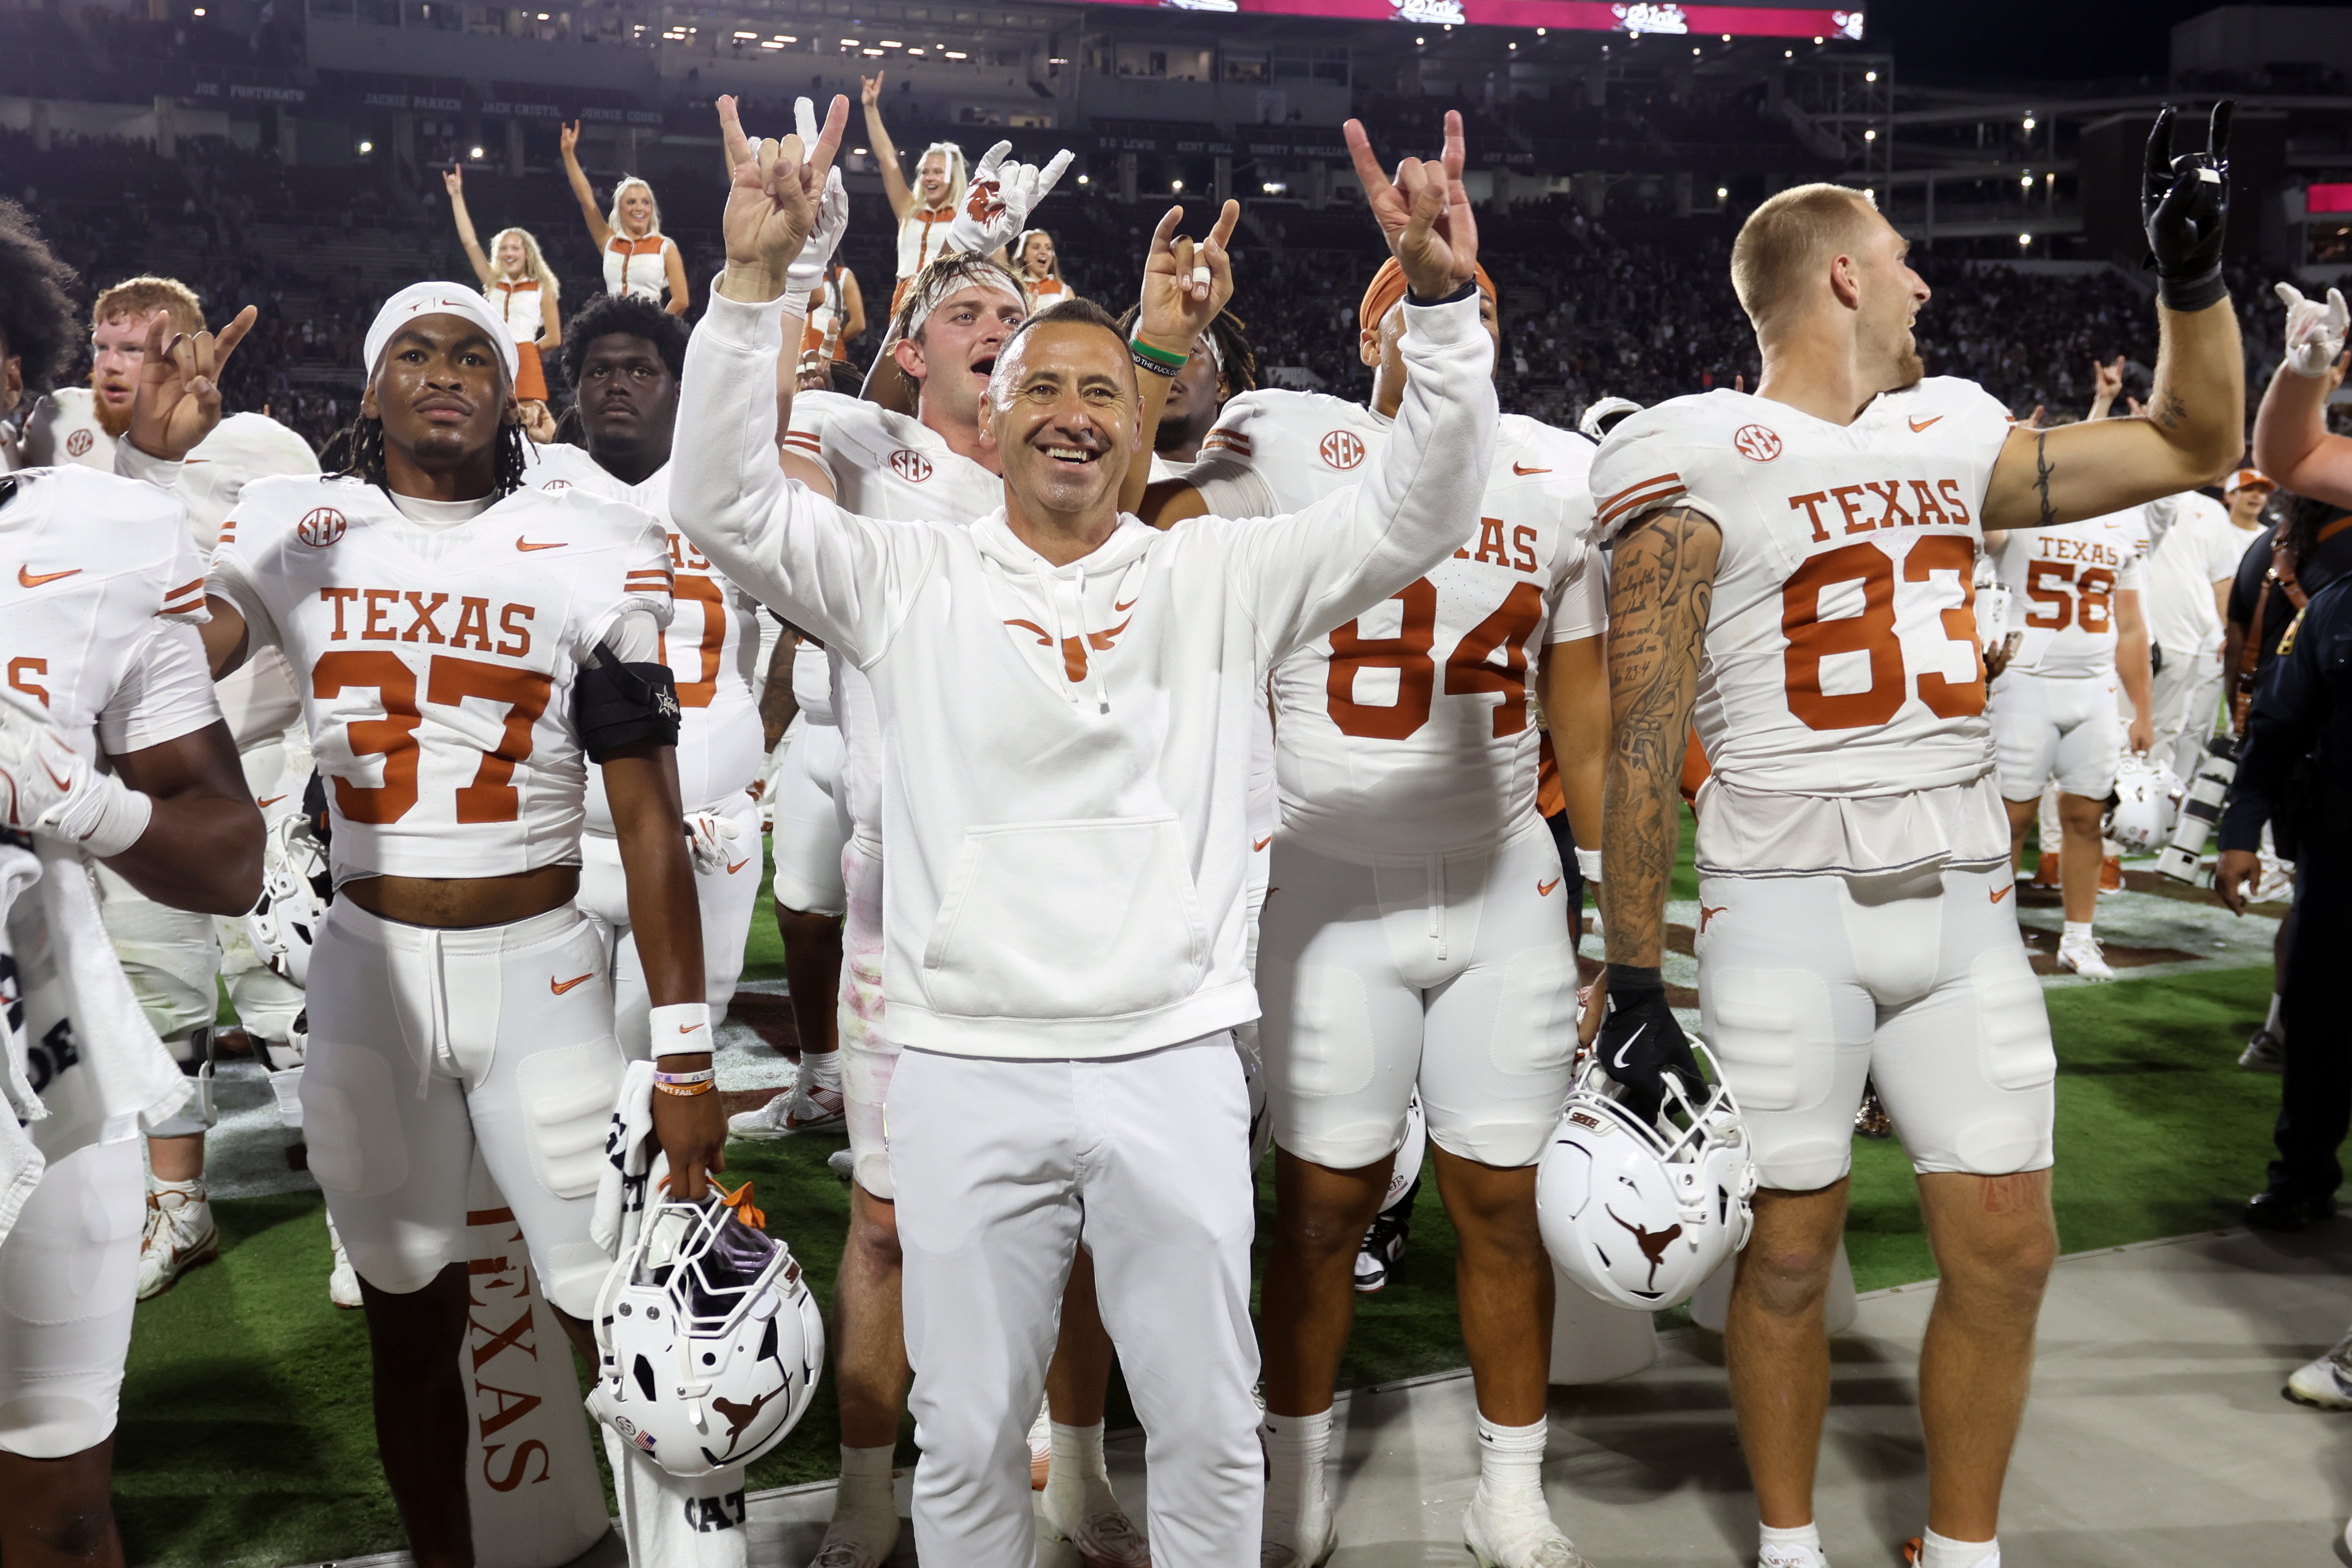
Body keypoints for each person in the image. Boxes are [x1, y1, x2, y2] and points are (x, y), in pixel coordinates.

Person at [674, 94, 1493, 1568]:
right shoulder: (901, 579)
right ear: (992, 416)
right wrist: (749, 289)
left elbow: (1419, 512)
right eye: (1039, 384)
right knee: (970, 1430)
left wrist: (1437, 307)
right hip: (963, 1055)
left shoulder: (1217, 577)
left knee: (1203, 1419)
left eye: (1103, 392)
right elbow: (722, 500)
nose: (1068, 410)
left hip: (1170, 1050)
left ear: (1139, 424)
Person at [1590, 105, 2244, 1568]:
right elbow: (1639, 732)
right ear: (1836, 277)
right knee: (1787, 1257)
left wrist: (2191, 284)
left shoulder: (1950, 428)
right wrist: (1633, 979)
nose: (1923, 286)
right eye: (1898, 260)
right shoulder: (1692, 446)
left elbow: (2196, 440)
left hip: (1958, 904)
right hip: (1780, 903)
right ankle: (1788, 1544)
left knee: (2009, 1250)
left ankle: (1961, 1552)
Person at [197, 281, 724, 1568]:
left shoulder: (583, 537)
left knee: (627, 1315)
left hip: (539, 963)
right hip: (368, 972)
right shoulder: (296, 528)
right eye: (415, 352)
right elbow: (170, 658)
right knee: (404, 1322)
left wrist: (691, 1051)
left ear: (512, 384)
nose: (446, 372)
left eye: (474, 353)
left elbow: (648, 815)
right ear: (369, 389)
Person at [1133, 254, 1609, 1568]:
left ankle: (1508, 1485)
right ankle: (1292, 1476)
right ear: (1368, 328)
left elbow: (1579, 711)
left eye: (1485, 308)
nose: (1463, 330)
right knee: (1322, 1208)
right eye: (1426, 305)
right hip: (1329, 882)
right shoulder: (1285, 437)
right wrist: (1157, 354)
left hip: (1504, 879)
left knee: (1500, 1202)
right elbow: (1124, 518)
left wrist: (1620, 928)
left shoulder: (1556, 470)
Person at [0, 194, 268, 1568]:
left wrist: (68, 794)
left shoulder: (106, 542)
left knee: (54, 1511)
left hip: (43, 1073)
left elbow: (230, 852)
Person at [22, 271, 325, 1301]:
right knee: (159, 998)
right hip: (116, 785)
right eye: (106, 344)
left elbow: (244, 629)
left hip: (261, 763)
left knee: (294, 994)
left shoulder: (268, 457)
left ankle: (349, 1197)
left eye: (145, 345)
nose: (118, 365)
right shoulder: (52, 438)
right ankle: (180, 1204)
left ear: (198, 347)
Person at [529, 294, 769, 1060]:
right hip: (565, 833)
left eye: (641, 369)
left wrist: (750, 756)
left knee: (670, 1064)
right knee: (556, 1071)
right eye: (599, 370)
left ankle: (665, 1187)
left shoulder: (732, 491)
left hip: (709, 826)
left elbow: (806, 633)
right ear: (577, 390)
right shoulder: (532, 487)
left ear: (678, 386)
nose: (617, 384)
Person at [1982, 463, 2154, 981]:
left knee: (2086, 816)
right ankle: (1991, 936)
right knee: (2011, 819)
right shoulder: (2017, 514)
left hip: (2094, 686)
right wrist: (1999, 468)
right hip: (2025, 682)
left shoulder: (2120, 528)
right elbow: (1987, 528)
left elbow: (2129, 625)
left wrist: (2142, 709)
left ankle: (2078, 939)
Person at [2142, 469, 2265, 786]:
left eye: (2262, 491)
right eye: (2248, 489)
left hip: (2196, 635)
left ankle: (2171, 802)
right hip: (2139, 629)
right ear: (2229, 494)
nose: (2256, 497)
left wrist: (2226, 633)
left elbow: (2221, 580)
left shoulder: (2212, 514)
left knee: (2182, 727)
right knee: (2120, 725)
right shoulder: (2134, 495)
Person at [441, 166, 563, 408]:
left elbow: (554, 338)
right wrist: (457, 197)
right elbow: (470, 242)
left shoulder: (542, 288)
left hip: (525, 361)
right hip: (491, 359)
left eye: (515, 248)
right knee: (486, 418)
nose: (509, 253)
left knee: (530, 426)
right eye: (504, 249)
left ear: (527, 253)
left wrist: (524, 353)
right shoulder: (492, 281)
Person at [859, 71, 968, 314]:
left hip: (947, 299)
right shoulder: (908, 209)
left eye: (938, 172)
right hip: (905, 298)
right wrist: (870, 108)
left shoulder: (964, 217)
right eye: (925, 172)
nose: (930, 178)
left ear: (952, 177)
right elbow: (887, 158)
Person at [561, 124, 690, 314]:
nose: (639, 208)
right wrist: (569, 154)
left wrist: (653, 329)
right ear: (620, 209)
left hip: (647, 333)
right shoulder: (609, 241)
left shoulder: (666, 247)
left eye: (645, 202)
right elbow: (587, 202)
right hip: (611, 329)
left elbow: (681, 301)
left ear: (652, 209)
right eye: (631, 202)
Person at [1117, 303, 1256, 471]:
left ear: (1221, 386)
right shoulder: (1099, 485)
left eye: (1188, 350)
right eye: (1146, 353)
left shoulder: (1254, 484)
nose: (1164, 362)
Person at [801, 258, 866, 363]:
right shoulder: (794, 271)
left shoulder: (843, 276)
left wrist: (832, 338)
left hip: (829, 354)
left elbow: (859, 324)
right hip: (797, 348)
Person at [1015, 227, 1067, 305]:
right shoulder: (1014, 289)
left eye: (1048, 248)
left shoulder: (1064, 291)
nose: (1043, 252)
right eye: (1036, 247)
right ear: (1024, 256)